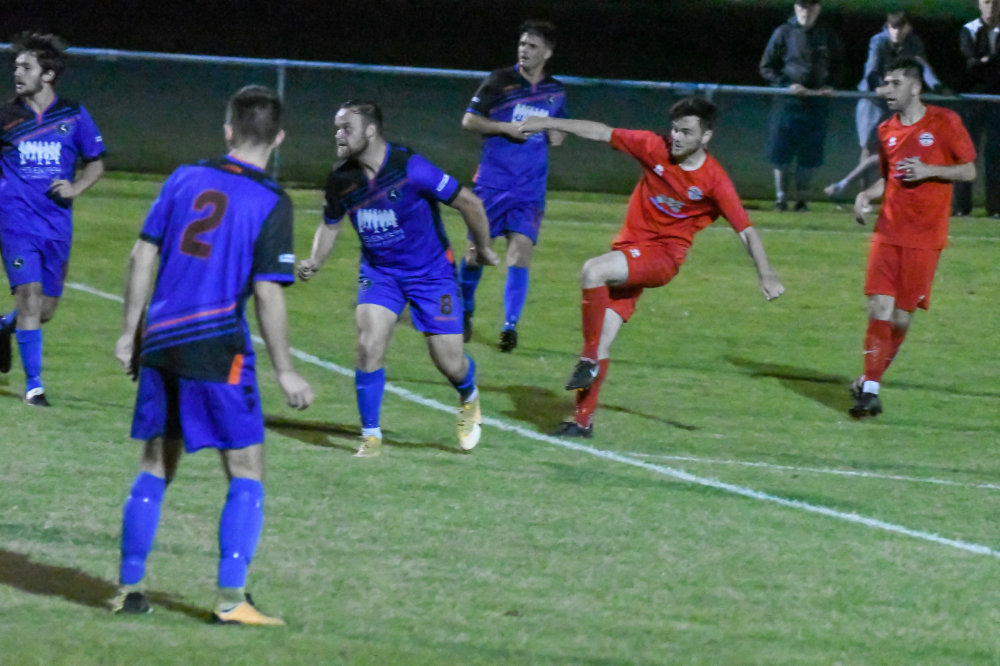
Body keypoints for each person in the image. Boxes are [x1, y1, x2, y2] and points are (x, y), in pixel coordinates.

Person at [110, 85, 314, 624]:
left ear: (228, 131)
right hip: (218, 345)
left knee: (155, 464)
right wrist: (286, 370)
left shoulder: (184, 177)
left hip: (161, 340)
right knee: (247, 469)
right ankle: (231, 599)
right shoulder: (271, 200)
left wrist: (130, 334)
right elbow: (268, 292)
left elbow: (140, 255)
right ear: (279, 138)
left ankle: (130, 589)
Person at [521, 97, 785, 437]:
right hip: (630, 254)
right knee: (602, 339)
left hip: (662, 259)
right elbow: (600, 132)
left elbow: (745, 230)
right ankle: (582, 421)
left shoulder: (714, 179)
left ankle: (587, 360)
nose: (676, 137)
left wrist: (766, 273)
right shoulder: (652, 146)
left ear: (706, 137)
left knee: (593, 271)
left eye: (686, 132)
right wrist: (546, 123)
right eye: (674, 129)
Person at [297, 100, 499, 457]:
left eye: (346, 128)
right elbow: (330, 224)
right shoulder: (341, 178)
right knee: (369, 344)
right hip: (380, 273)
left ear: (371, 130)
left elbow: (470, 203)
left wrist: (482, 248)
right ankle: (371, 436)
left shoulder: (411, 167)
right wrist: (315, 260)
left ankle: (468, 394)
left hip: (431, 274)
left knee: (450, 362)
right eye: (337, 129)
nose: (338, 135)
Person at [851, 58, 976, 417]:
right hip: (888, 232)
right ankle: (870, 392)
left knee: (900, 320)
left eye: (894, 83)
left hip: (925, 238)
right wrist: (865, 195)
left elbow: (968, 170)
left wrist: (928, 170)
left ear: (915, 87)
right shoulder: (886, 130)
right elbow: (887, 179)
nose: (886, 90)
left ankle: (869, 378)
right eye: (885, 83)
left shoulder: (945, 122)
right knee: (879, 309)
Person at [0, 32, 105, 405]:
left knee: (44, 310)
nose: (17, 73)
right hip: (15, 222)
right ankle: (35, 386)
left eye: (26, 67)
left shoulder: (73, 115)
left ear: (48, 75)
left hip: (56, 226)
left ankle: (4, 327)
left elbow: (96, 163)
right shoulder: (6, 116)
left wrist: (76, 188)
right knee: (29, 297)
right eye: (16, 67)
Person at [458, 19, 567, 352]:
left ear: (547, 53)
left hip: (529, 189)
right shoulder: (499, 81)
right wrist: (505, 128)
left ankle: (509, 327)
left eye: (532, 46)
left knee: (520, 255)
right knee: (476, 253)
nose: (524, 50)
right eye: (522, 44)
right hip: (493, 183)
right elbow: (469, 120)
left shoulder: (556, 91)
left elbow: (558, 135)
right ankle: (465, 309)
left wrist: (556, 131)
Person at [825, 10, 947, 200]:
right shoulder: (879, 41)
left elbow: (923, 67)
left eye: (900, 27)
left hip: (896, 103)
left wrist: (938, 86)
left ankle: (853, 188)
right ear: (887, 27)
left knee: (894, 150)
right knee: (869, 148)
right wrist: (881, 88)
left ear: (908, 27)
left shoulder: (913, 43)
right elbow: (871, 70)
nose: (896, 32)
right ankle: (860, 194)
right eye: (893, 27)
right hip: (873, 102)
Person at [759, 0, 843, 212]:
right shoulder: (783, 32)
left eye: (811, 7)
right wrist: (787, 85)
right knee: (781, 152)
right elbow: (766, 67)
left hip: (816, 103)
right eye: (802, 7)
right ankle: (781, 199)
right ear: (796, 8)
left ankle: (802, 201)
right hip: (787, 103)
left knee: (809, 155)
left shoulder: (826, 34)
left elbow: (840, 65)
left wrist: (830, 84)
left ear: (818, 9)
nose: (806, 12)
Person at [953, 0, 1000, 217]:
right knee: (966, 154)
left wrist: (983, 61)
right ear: (979, 5)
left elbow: (978, 64)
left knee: (995, 156)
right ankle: (962, 207)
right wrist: (990, 61)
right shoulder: (969, 30)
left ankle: (995, 208)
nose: (991, 8)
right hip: (971, 100)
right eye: (987, 3)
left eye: (996, 3)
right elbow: (969, 64)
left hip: (997, 101)